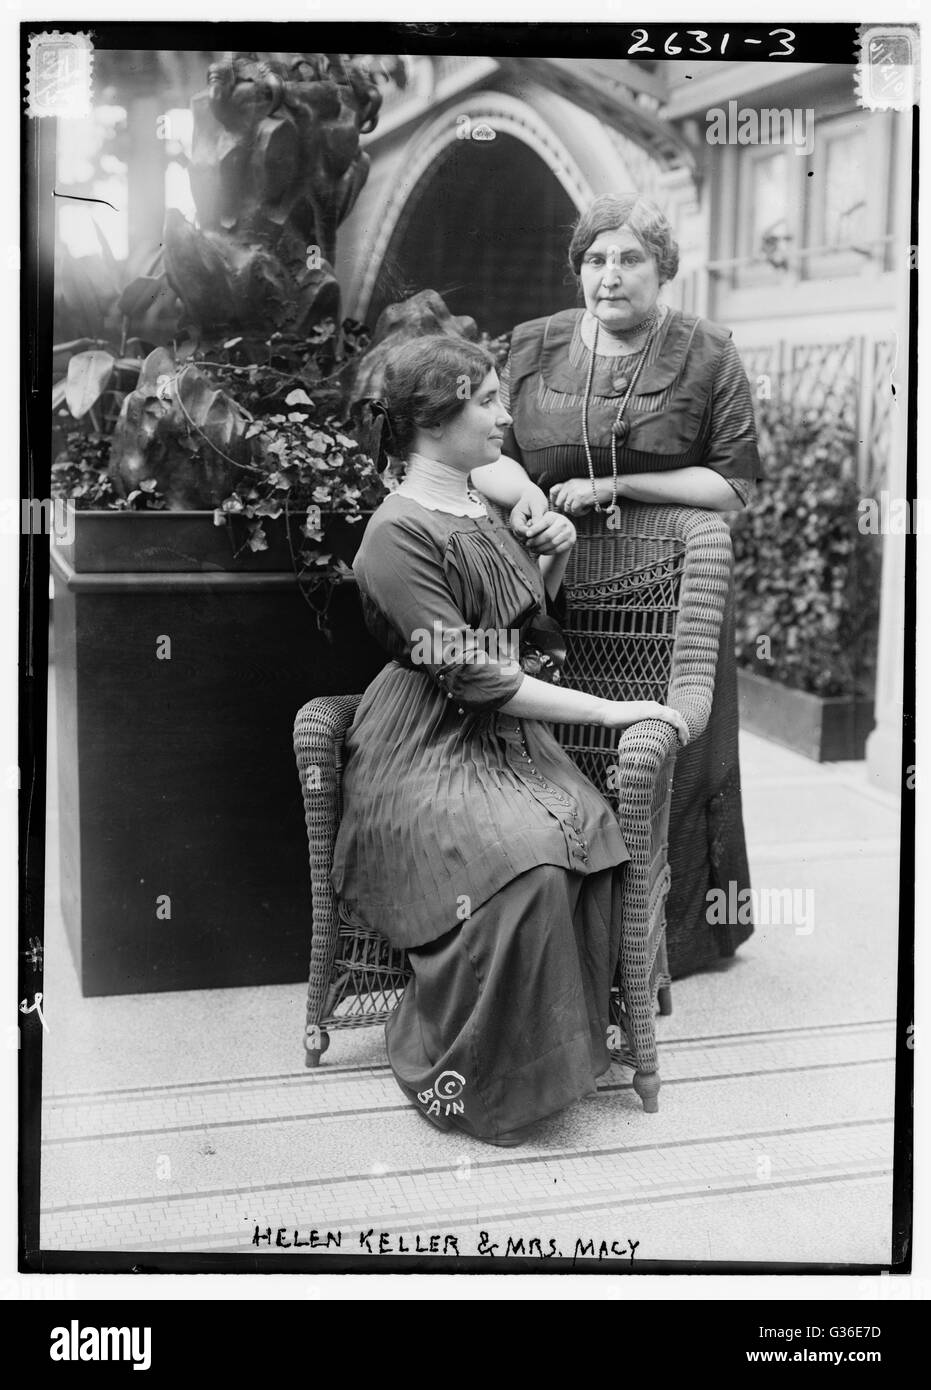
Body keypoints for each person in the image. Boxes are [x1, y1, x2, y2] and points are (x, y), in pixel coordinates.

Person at [330, 335, 688, 1147]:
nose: (503, 415)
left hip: (506, 740)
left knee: (588, 841)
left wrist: (548, 562)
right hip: (422, 746)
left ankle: (555, 1055)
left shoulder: (476, 508)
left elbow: (518, 634)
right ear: (431, 420)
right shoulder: (395, 533)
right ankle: (474, 1070)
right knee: (521, 866)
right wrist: (609, 712)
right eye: (486, 401)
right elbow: (471, 673)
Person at [476, 192, 762, 979]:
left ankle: (664, 941)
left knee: (664, 760)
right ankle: (558, 921)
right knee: (556, 749)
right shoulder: (532, 346)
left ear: (662, 269)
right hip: (548, 586)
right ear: (577, 269)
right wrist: (522, 494)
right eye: (596, 259)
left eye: (630, 258)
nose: (610, 275)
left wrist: (622, 488)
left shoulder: (707, 352)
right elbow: (483, 448)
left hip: (672, 597)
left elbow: (733, 487)